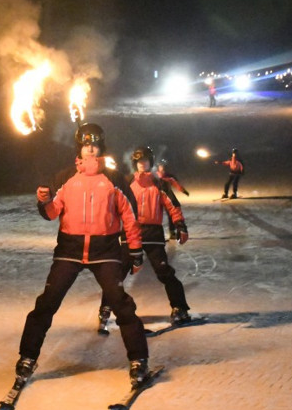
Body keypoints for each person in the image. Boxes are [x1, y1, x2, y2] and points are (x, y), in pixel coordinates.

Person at [14, 123, 152, 389]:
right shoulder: (65, 177)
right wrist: (44, 200)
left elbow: (130, 216)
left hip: (105, 251)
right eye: (85, 145)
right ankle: (27, 357)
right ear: (79, 149)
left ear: (101, 148)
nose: (90, 149)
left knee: (122, 305)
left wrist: (135, 250)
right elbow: (52, 212)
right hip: (69, 250)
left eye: (95, 144)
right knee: (46, 304)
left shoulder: (114, 179)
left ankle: (138, 360)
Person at [98, 146, 192, 333]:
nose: (143, 164)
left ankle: (180, 307)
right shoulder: (127, 182)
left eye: (146, 161)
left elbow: (173, 205)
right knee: (118, 273)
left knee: (164, 271)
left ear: (151, 162)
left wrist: (180, 225)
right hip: (131, 232)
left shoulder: (159, 184)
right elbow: (114, 205)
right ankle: (106, 309)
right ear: (135, 163)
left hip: (153, 233)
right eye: (140, 161)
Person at [155, 158, 190, 240]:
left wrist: (183, 191)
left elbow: (176, 184)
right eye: (160, 166)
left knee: (171, 214)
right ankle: (156, 234)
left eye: (163, 166)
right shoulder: (154, 176)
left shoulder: (169, 176)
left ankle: (172, 232)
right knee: (155, 215)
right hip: (157, 196)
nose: (162, 168)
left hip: (168, 196)